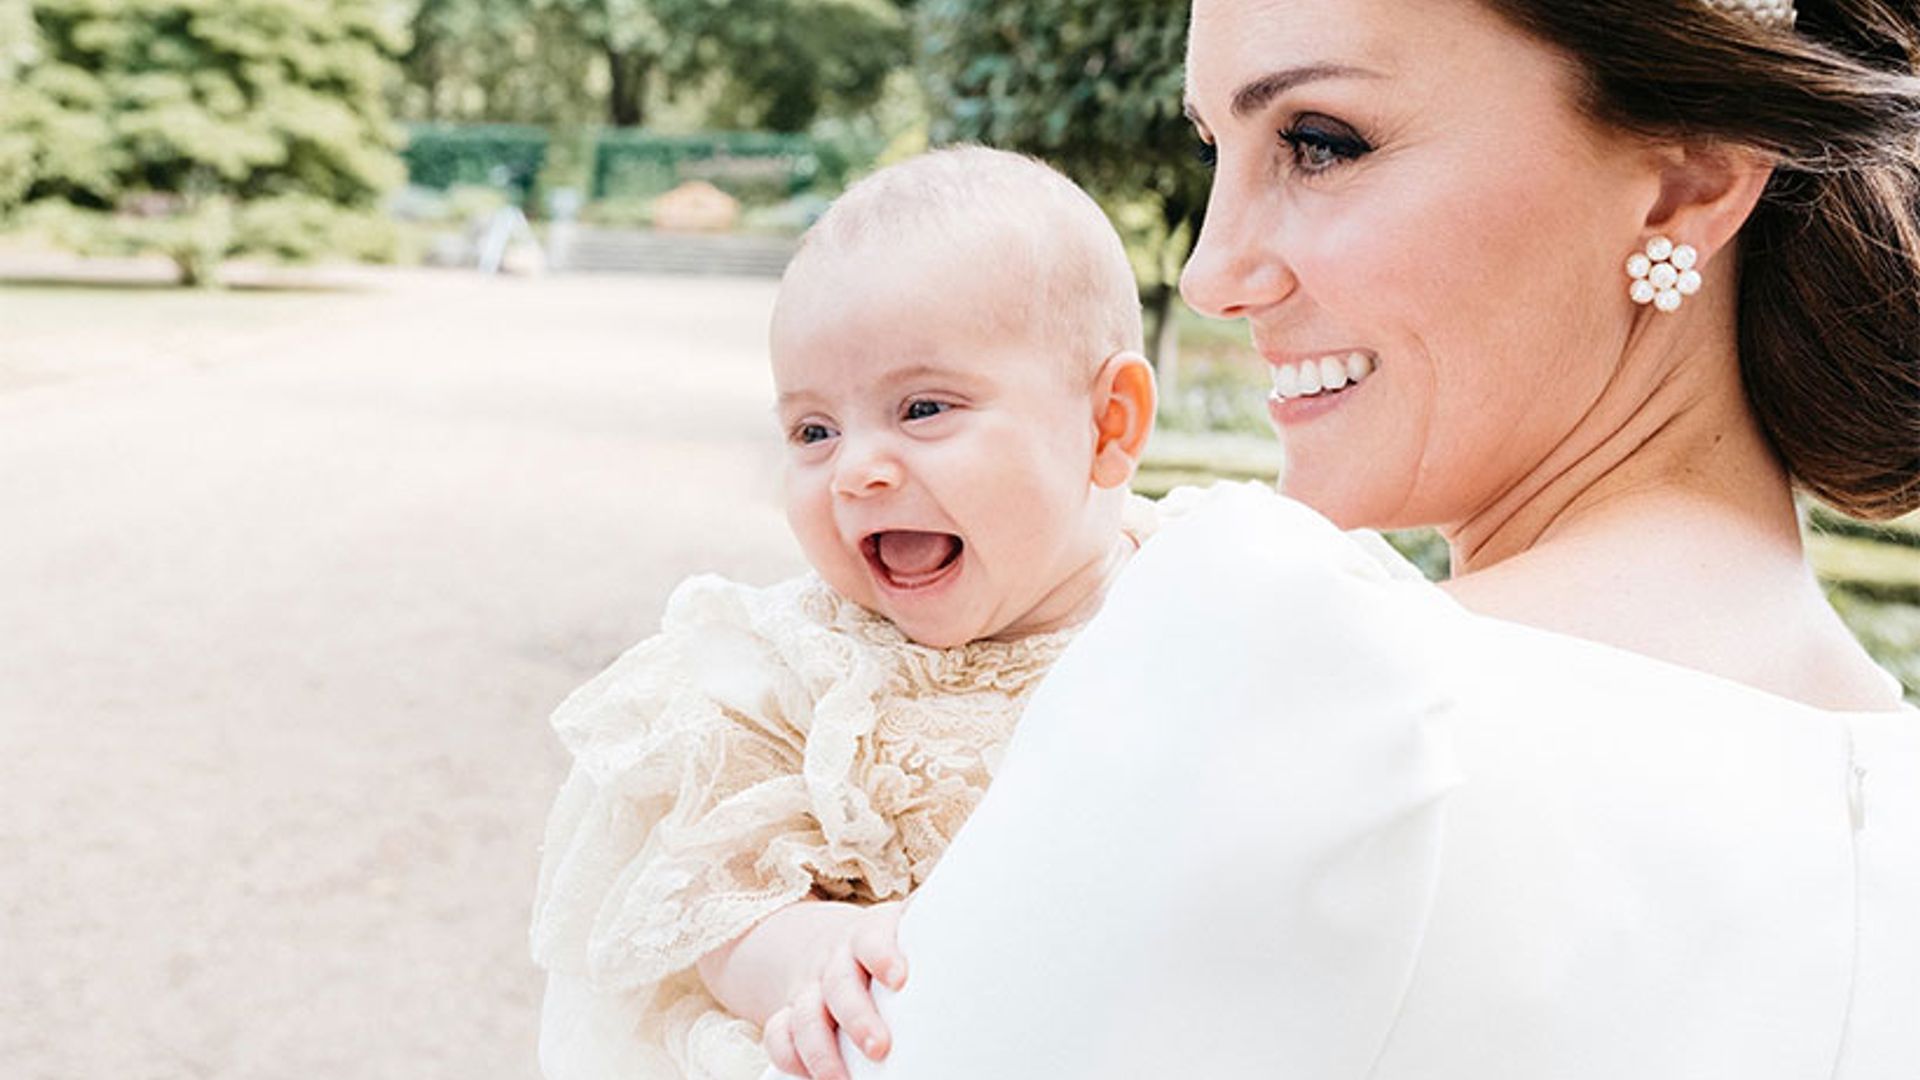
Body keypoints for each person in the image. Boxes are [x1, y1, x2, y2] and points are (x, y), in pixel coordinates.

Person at [772, 0, 1920, 1076]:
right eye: (1216, 150)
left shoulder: (1282, 667)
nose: (1212, 271)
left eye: (1317, 142)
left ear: (1688, 181)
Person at [527, 146, 1165, 1080]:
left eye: (923, 408)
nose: (859, 468)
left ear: (1109, 425)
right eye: (813, 431)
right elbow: (708, 903)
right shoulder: (787, 672)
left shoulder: (1202, 596)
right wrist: (817, 955)